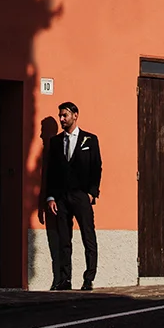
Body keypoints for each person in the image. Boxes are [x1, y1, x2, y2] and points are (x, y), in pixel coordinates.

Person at [44, 102, 102, 290]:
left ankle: (89, 278)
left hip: (81, 195)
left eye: (65, 115)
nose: (62, 119)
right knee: (63, 239)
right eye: (60, 116)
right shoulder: (55, 142)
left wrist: (92, 192)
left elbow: (96, 167)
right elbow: (50, 171)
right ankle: (64, 279)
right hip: (61, 198)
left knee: (88, 236)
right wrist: (50, 197)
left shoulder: (90, 140)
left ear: (75, 115)